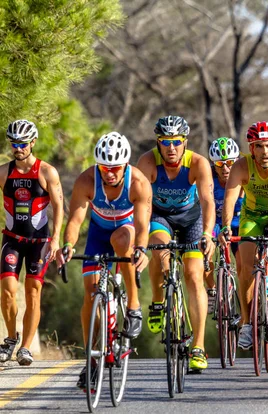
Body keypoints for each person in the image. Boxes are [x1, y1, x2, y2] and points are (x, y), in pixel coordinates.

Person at [59, 132, 152, 387]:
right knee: (90, 295)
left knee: (122, 242)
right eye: (104, 168)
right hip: (98, 235)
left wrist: (141, 249)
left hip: (127, 229)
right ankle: (91, 360)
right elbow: (76, 221)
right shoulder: (87, 180)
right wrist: (67, 245)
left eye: (115, 168)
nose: (109, 173)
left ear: (125, 165)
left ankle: (133, 306)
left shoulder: (138, 183)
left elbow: (143, 225)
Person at [137, 115, 216, 372]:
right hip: (160, 217)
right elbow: (143, 205)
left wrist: (207, 234)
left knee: (194, 276)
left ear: (185, 142)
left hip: (191, 218)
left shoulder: (198, 163)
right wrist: (140, 240)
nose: (171, 148)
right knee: (159, 251)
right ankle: (159, 301)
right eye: (165, 142)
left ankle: (199, 346)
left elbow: (207, 201)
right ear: (158, 143)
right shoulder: (148, 162)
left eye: (177, 142)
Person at [218, 121, 268, 350]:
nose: (265, 152)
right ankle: (246, 322)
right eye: (259, 146)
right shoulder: (241, 166)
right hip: (251, 215)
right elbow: (230, 200)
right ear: (251, 149)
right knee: (244, 267)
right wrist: (225, 227)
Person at [0, 120, 64, 366]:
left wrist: (56, 239)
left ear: (33, 142)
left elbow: (58, 207)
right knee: (7, 290)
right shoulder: (5, 172)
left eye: (23, 143)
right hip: (13, 239)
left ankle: (25, 348)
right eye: (14, 143)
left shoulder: (46, 171)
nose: (19, 148)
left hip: (39, 241)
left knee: (33, 292)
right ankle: (11, 339)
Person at [205, 137, 244, 314]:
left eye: (229, 163)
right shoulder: (210, 179)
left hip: (237, 222)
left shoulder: (243, 174)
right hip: (215, 222)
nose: (226, 169)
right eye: (220, 165)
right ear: (214, 165)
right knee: (205, 252)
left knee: (243, 259)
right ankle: (212, 289)